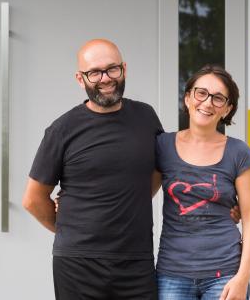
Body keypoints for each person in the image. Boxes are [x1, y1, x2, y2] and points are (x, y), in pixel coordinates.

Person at [22, 39, 163, 299]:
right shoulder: (62, 130)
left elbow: (156, 174)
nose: (105, 78)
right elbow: (32, 199)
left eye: (112, 69)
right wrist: (71, 229)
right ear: (80, 78)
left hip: (136, 261)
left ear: (124, 69)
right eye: (94, 72)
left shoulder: (146, 117)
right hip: (78, 265)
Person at [153, 64, 250, 300]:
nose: (208, 102)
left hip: (225, 275)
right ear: (188, 97)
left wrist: (242, 278)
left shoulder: (238, 152)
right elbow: (137, 194)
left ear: (227, 109)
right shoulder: (162, 146)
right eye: (201, 93)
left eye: (218, 98)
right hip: (172, 273)